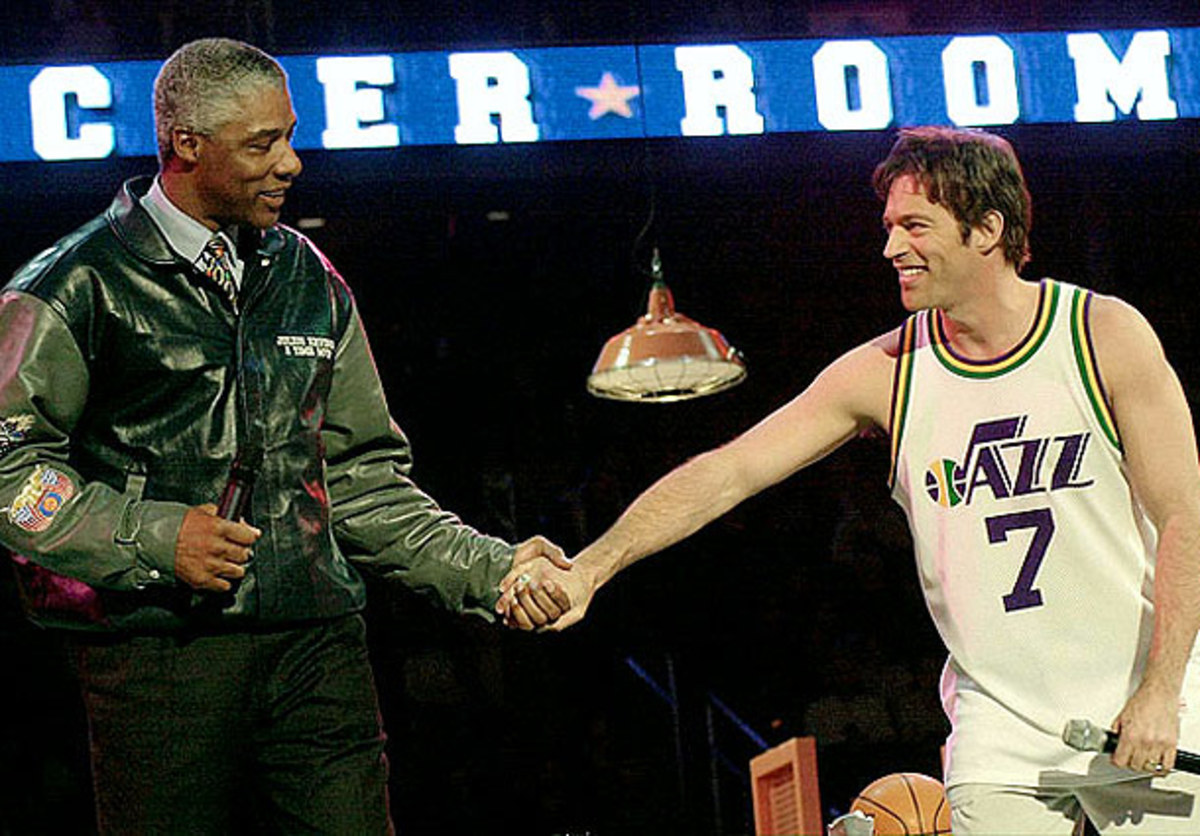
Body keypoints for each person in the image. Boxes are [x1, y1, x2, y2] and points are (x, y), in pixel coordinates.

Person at [500, 126, 1200, 834]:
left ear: (987, 229)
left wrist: (1162, 688)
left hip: (1141, 692)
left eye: (915, 226)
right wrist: (592, 567)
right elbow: (730, 470)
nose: (891, 248)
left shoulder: (1101, 334)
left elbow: (1184, 517)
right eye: (890, 227)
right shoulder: (886, 371)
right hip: (1002, 720)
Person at [0, 37, 569, 835]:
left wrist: (491, 567)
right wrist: (155, 538)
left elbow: (360, 481)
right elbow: (10, 475)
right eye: (262, 143)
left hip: (318, 646)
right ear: (186, 147)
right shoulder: (74, 284)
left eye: (289, 134)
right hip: (160, 658)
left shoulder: (309, 277)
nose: (292, 162)